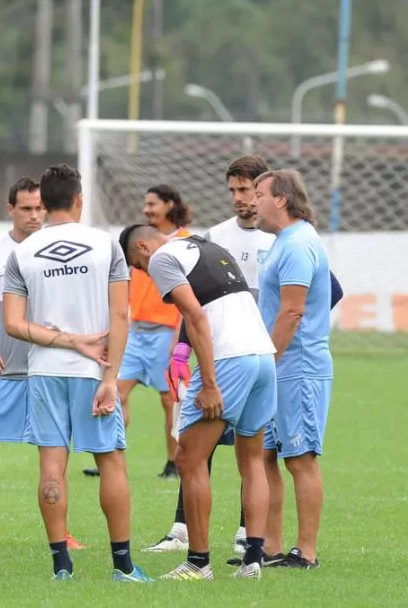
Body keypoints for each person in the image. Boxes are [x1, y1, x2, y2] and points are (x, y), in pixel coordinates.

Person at [1, 164, 151, 582]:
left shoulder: (23, 251)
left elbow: (14, 325)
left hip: (45, 373)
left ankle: (61, 565)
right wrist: (110, 379)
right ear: (80, 199)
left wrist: (65, 340)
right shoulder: (106, 245)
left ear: (44, 203)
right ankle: (122, 565)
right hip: (95, 373)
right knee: (111, 463)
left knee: (52, 466)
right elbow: (121, 313)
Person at [119, 224, 277, 580]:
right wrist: (181, 350)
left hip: (228, 361)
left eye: (138, 265)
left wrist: (208, 384)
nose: (145, 273)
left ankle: (198, 563)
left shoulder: (161, 258)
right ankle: (252, 561)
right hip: (262, 356)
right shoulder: (207, 247)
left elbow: (195, 315)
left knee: (189, 458)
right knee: (252, 460)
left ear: (143, 246)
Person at [146, 155, 274, 555]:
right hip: (225, 351)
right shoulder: (214, 237)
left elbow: (323, 294)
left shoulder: (281, 239)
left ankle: (240, 537)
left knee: (251, 451)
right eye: (233, 190)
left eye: (248, 189)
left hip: (250, 354)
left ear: (265, 190)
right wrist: (181, 348)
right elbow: (195, 303)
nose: (240, 198)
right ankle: (183, 528)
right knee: (202, 442)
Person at [0, 176, 82, 550]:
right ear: (10, 209)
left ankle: (62, 532)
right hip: (3, 373)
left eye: (40, 208)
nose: (35, 215)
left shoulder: (57, 249)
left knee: (53, 454)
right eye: (26, 208)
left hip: (48, 370)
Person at [253, 169, 333, 570]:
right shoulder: (282, 242)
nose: (254, 201)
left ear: (281, 199)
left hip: (297, 367)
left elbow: (293, 310)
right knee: (266, 454)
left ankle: (306, 551)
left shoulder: (299, 244)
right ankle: (269, 546)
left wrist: (267, 361)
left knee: (300, 458)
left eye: (259, 193)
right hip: (280, 365)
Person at [85, 185, 192, 479]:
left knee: (169, 400)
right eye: (145, 205)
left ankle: (174, 463)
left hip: (166, 334)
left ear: (170, 205)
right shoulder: (138, 244)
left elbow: (189, 298)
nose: (147, 210)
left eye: (153, 204)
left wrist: (178, 338)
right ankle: (107, 453)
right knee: (115, 391)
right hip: (136, 332)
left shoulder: (184, 243)